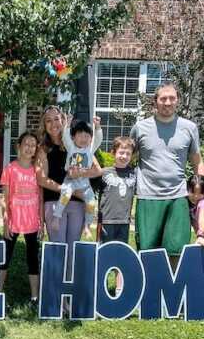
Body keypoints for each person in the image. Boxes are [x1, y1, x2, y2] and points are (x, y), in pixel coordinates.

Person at [129, 82, 204, 263]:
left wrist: (202, 192)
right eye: (163, 98)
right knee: (147, 250)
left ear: (177, 100)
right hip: (148, 197)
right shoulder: (140, 128)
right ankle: (148, 288)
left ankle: (171, 289)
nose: (168, 102)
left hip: (178, 196)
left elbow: (197, 161)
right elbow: (124, 157)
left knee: (176, 249)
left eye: (172, 98)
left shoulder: (189, 128)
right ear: (155, 102)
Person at [35, 106, 104, 253]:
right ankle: (56, 277)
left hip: (78, 204)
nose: (53, 124)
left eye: (56, 119)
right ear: (44, 125)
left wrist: (79, 174)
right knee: (58, 249)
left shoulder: (78, 142)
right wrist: (69, 190)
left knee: (73, 250)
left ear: (63, 120)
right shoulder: (44, 148)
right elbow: (41, 180)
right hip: (55, 203)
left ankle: (70, 276)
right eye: (48, 121)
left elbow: (96, 171)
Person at [0, 132, 43, 302]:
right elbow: (5, 199)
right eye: (26, 143)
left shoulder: (37, 170)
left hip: (32, 222)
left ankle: (35, 295)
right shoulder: (10, 169)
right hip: (13, 222)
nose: (30, 147)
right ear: (18, 146)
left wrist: (41, 223)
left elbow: (40, 199)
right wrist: (5, 222)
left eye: (33, 144)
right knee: (5, 256)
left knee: (32, 258)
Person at [95, 136, 137, 295]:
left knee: (122, 256)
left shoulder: (134, 174)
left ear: (132, 155)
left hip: (124, 222)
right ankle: (100, 287)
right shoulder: (104, 173)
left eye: (128, 153)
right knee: (103, 256)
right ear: (113, 152)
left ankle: (119, 289)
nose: (124, 156)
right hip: (105, 221)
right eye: (121, 152)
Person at [51, 115, 103, 233]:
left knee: (91, 203)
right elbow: (65, 137)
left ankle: (87, 225)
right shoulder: (71, 147)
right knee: (65, 195)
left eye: (87, 136)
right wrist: (68, 124)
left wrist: (98, 126)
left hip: (84, 183)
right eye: (80, 135)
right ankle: (56, 217)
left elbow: (98, 139)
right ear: (73, 137)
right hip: (70, 181)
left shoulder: (90, 149)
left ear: (90, 138)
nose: (84, 138)